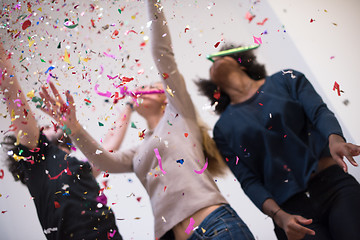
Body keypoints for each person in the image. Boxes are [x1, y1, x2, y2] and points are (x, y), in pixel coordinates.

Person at [36, 1, 256, 239]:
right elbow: (105, 160)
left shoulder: (179, 113)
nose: (140, 90)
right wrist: (74, 127)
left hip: (216, 227)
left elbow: (162, 54)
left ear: (164, 96)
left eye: (149, 85)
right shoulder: (139, 151)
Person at [197, 43, 360, 240]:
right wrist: (279, 217)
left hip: (334, 187)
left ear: (242, 63)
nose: (215, 60)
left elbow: (319, 113)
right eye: (212, 63)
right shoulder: (223, 129)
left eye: (221, 56)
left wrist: (335, 139)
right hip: (290, 212)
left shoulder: (287, 79)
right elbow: (248, 181)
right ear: (215, 87)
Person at [0, 43, 122, 240]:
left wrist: (130, 106)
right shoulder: (36, 160)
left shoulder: (79, 168)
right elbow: (12, 93)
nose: (46, 127)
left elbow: (108, 148)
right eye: (43, 129)